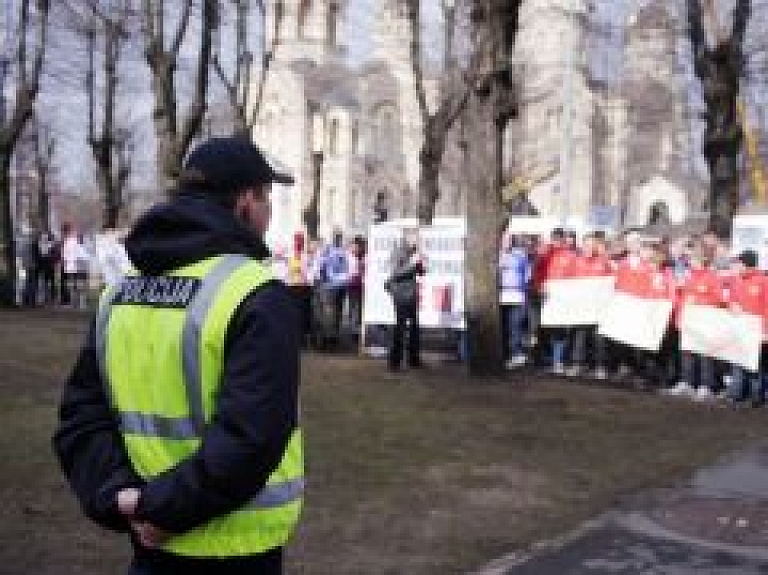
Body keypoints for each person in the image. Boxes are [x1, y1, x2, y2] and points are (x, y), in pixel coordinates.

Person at [53, 136, 304, 575]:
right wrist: (160, 511)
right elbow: (251, 438)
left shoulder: (119, 294)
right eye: (268, 199)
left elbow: (80, 418)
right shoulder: (255, 294)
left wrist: (123, 498)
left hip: (149, 544)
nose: (270, 213)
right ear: (246, 201)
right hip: (235, 548)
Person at [386, 237, 425, 371]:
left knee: (414, 327)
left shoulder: (412, 253)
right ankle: (395, 361)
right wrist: (413, 265)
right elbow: (395, 273)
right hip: (401, 296)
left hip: (411, 295)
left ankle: (413, 359)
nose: (417, 241)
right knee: (400, 328)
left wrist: (420, 267)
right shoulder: (397, 252)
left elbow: (419, 272)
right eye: (415, 237)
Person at [498, 233, 531, 368]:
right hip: (501, 295)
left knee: (515, 326)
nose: (508, 243)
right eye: (505, 240)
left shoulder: (520, 254)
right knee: (503, 327)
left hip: (517, 295)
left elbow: (527, 273)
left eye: (510, 240)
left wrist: (523, 286)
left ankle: (515, 354)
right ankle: (504, 355)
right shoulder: (496, 255)